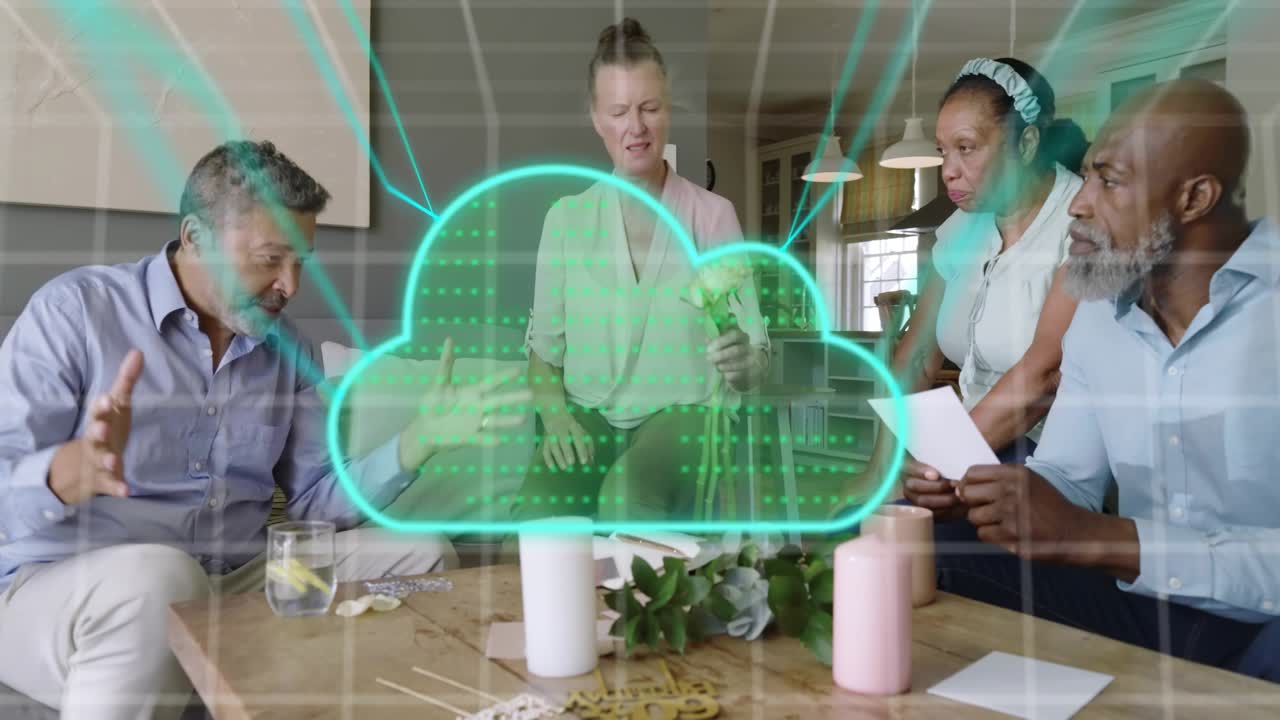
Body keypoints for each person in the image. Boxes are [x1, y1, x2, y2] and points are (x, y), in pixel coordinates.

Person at [0, 140, 529, 718]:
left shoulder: (286, 351)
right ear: (195, 237)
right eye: (269, 259)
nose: (290, 285)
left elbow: (314, 506)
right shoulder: (75, 312)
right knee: (158, 576)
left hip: (231, 581)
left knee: (419, 555)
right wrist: (67, 473)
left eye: (301, 261)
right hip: (59, 590)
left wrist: (414, 445)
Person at [925, 80, 1279, 681]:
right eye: (1086, 176)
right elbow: (1067, 477)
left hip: (1261, 621)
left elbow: (1091, 529)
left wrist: (1102, 539)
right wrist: (985, 496)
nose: (1078, 204)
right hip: (1140, 602)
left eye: (1108, 181)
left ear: (1194, 198)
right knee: (926, 539)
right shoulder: (1099, 312)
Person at [515, 18, 769, 522]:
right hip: (587, 414)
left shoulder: (712, 216)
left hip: (687, 415)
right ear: (596, 118)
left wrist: (744, 363)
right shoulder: (565, 220)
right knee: (533, 530)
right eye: (619, 111)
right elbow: (543, 355)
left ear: (668, 109)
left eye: (650, 108)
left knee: (626, 501)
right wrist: (557, 414)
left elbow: (755, 357)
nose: (637, 127)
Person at [844, 57, 1092, 512]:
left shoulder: (1081, 222)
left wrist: (938, 467)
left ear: (1028, 143)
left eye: (967, 148)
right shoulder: (960, 231)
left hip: (1051, 462)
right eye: (943, 151)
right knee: (862, 526)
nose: (948, 171)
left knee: (909, 551)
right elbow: (915, 356)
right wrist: (879, 474)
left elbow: (1043, 378)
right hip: (971, 443)